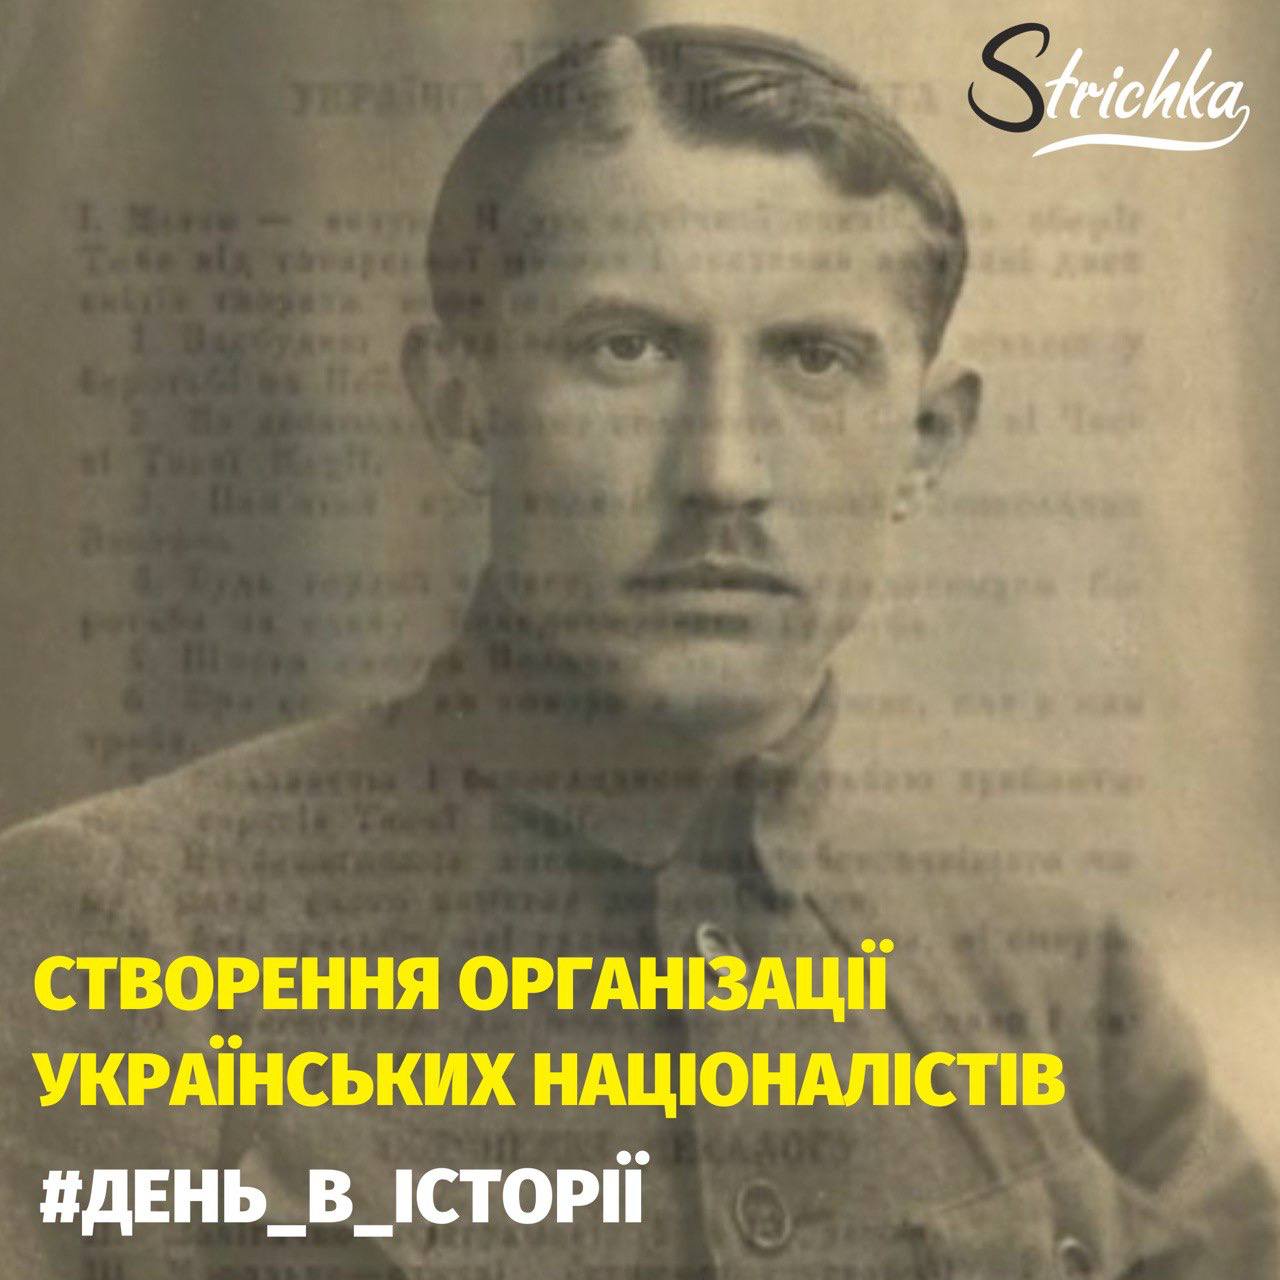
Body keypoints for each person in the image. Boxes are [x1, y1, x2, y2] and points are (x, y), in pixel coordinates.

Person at [0, 24, 1273, 1279]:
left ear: (924, 444)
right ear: (461, 407)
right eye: (628, 350)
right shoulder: (126, 942)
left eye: (813, 358)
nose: (721, 470)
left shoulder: (1058, 994)